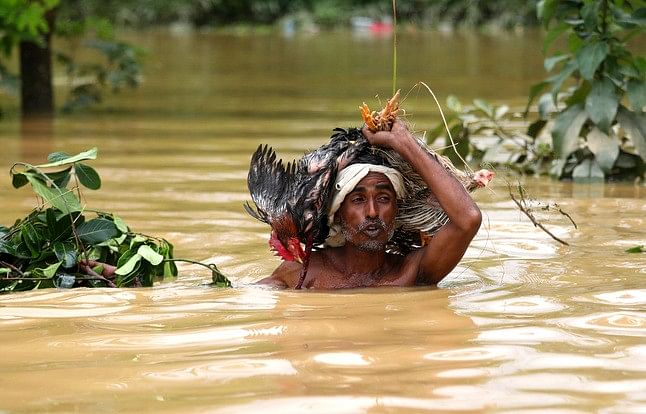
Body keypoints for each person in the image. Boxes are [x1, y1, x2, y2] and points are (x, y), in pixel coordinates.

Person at [256, 120, 482, 289]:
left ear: (396, 209)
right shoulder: (301, 274)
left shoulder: (411, 273)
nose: (373, 212)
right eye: (358, 199)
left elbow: (468, 218)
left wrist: (403, 142)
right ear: (337, 213)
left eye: (384, 199)